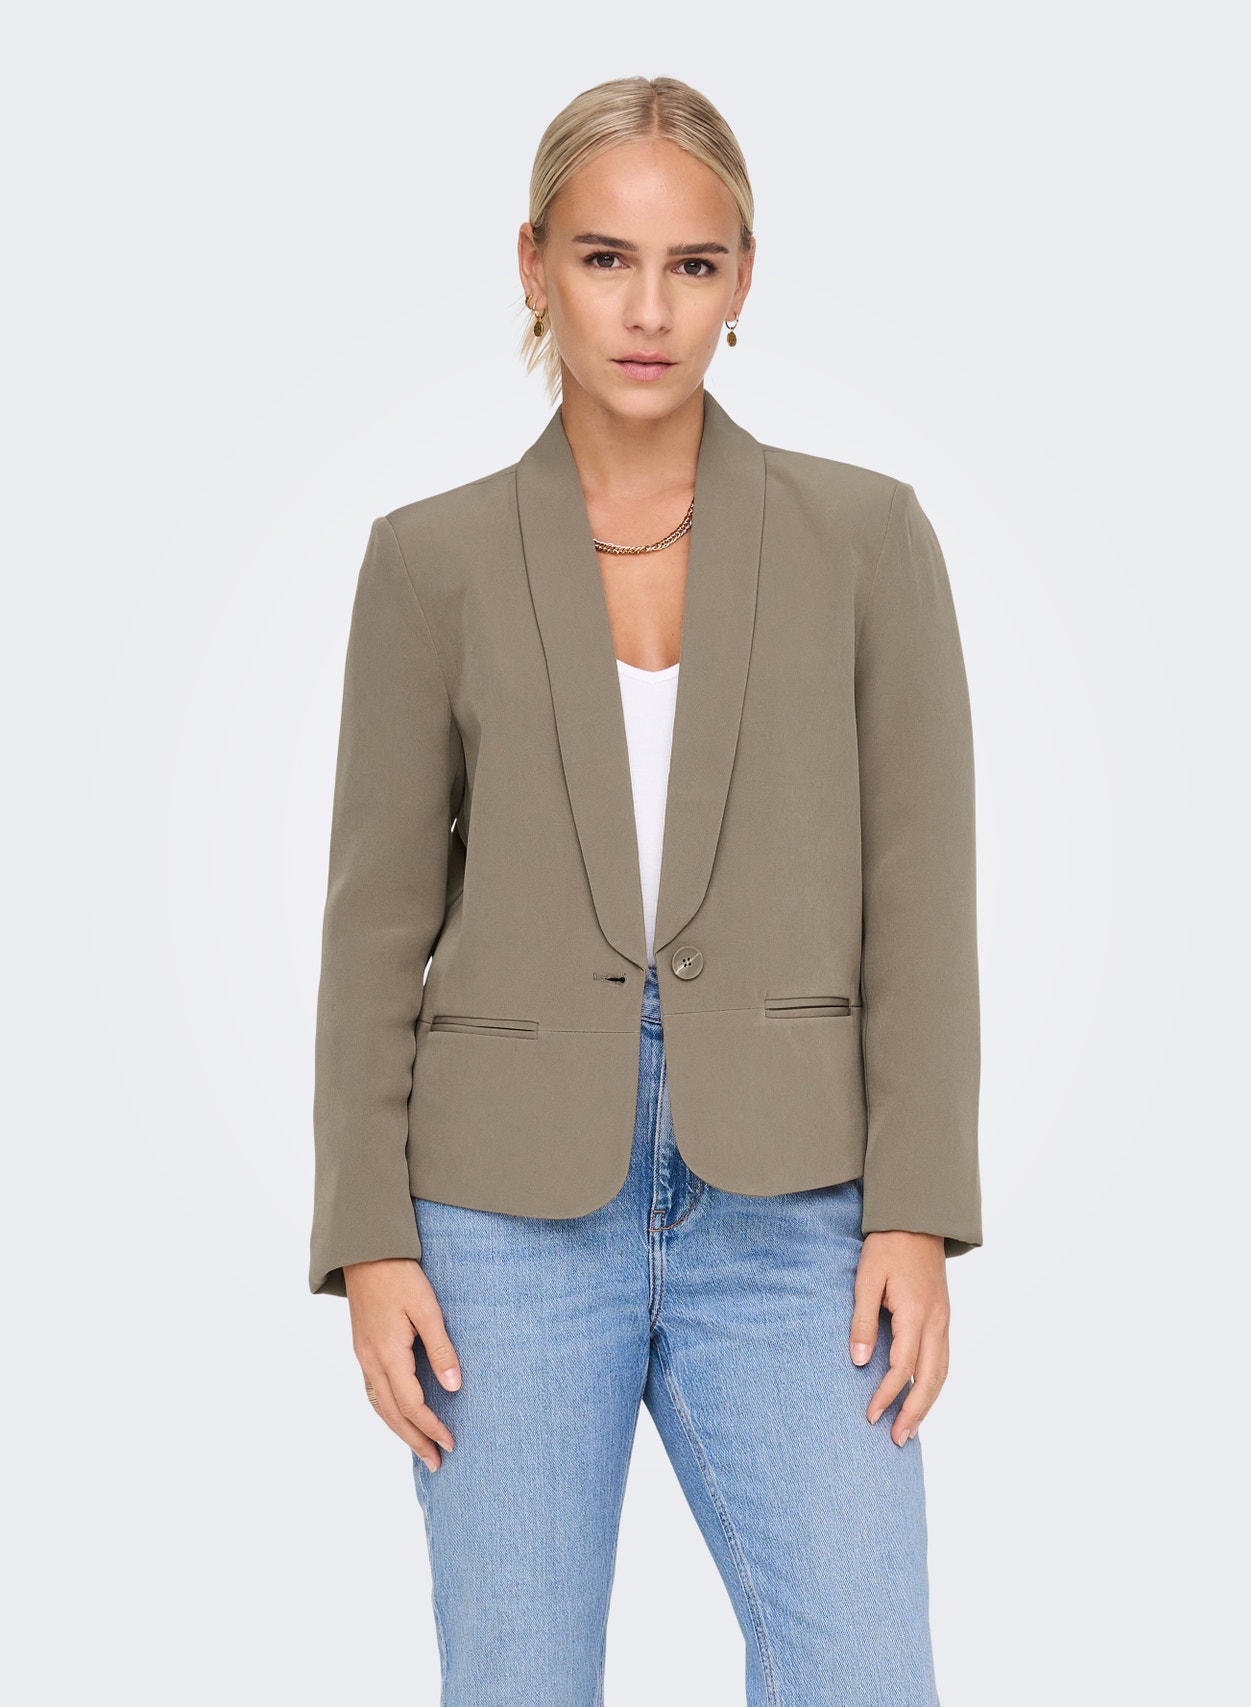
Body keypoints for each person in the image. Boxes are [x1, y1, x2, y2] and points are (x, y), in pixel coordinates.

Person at [310, 73, 981, 1707]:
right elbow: (374, 925)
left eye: (692, 264)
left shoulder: (866, 539)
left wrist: (915, 1209)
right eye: (606, 257)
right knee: (518, 1679)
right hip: (500, 1222)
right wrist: (370, 1239)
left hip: (797, 1210)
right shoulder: (430, 562)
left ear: (743, 280)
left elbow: (923, 896)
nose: (649, 308)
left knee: (865, 1672)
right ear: (533, 266)